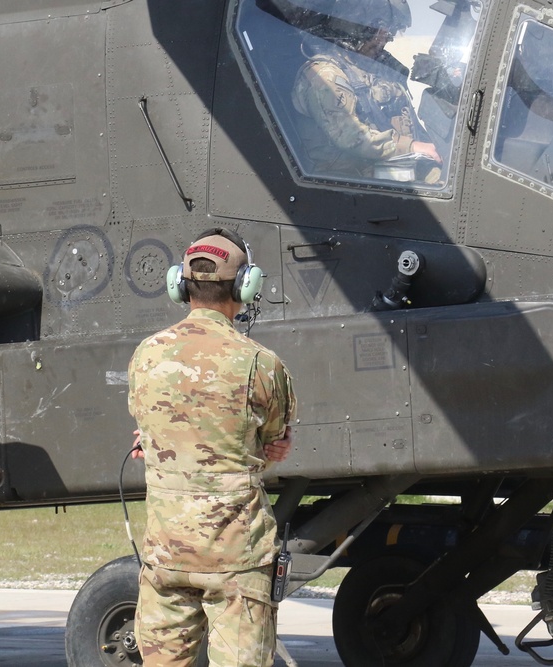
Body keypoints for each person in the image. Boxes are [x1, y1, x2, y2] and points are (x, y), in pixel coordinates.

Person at [127, 228, 296, 667]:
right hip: (237, 558)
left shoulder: (147, 355)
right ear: (246, 285)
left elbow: (148, 434)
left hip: (166, 554)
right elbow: (276, 441)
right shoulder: (261, 363)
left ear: (179, 285)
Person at [289, 0, 443, 182]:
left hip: (388, 170)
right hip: (346, 184)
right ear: (365, 27)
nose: (386, 40)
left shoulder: (372, 69)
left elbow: (405, 117)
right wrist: (411, 147)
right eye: (384, 32)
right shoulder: (324, 75)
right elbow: (349, 135)